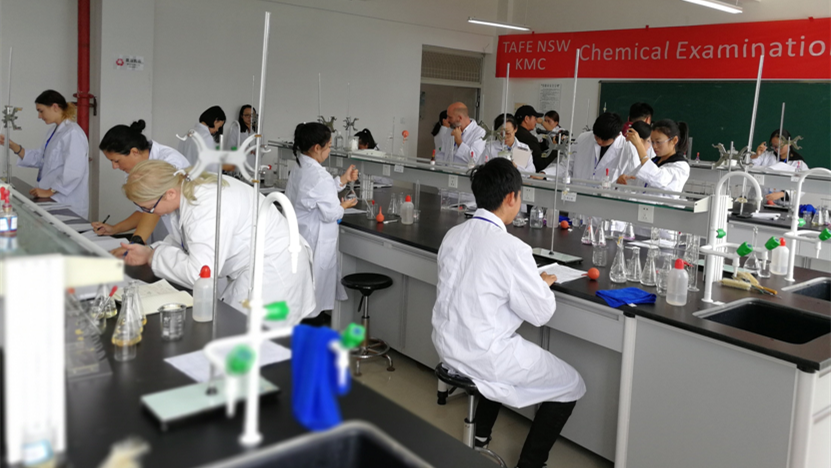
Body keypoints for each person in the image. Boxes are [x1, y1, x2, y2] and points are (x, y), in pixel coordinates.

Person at [432, 158, 585, 468]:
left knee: (503, 364)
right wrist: (540, 284)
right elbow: (541, 314)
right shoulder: (512, 249)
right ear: (512, 197)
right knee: (572, 383)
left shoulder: (454, 234)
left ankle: (480, 435)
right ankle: (530, 464)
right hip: (481, 354)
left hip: (447, 344)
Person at [120, 160, 316, 321]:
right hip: (256, 265)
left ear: (169, 194)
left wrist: (153, 256)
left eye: (148, 208)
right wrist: (151, 250)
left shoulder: (205, 206)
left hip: (273, 270)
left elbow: (200, 273)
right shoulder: (187, 187)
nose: (149, 213)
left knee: (254, 341)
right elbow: (186, 239)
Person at [286, 122, 359, 316]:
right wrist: (343, 206)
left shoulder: (300, 166)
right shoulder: (319, 175)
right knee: (313, 297)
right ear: (317, 148)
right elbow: (331, 213)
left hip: (301, 235)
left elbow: (317, 193)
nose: (329, 151)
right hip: (315, 239)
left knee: (303, 294)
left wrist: (343, 180)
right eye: (329, 146)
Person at [93, 120, 190, 252]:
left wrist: (134, 244)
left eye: (116, 161)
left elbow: (153, 210)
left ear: (134, 152)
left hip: (189, 232)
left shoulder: (169, 161)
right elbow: (144, 210)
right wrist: (115, 229)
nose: (114, 167)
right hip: (169, 237)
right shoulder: (134, 171)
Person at [0, 90, 89, 217]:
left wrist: (50, 191)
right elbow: (41, 158)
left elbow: (74, 171)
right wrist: (13, 146)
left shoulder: (73, 133)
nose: (39, 116)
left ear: (55, 107)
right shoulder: (53, 131)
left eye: (41, 111)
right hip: (51, 200)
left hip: (66, 202)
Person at [619, 120, 690, 193]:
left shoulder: (681, 166)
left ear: (674, 140)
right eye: (652, 142)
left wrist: (639, 146)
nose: (654, 146)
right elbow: (635, 180)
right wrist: (624, 179)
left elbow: (658, 178)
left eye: (658, 142)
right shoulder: (654, 161)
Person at [571, 112, 639, 184]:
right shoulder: (582, 138)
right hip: (577, 189)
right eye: (597, 137)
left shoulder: (629, 151)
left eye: (604, 140)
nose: (599, 141)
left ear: (617, 136)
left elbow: (632, 182)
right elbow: (567, 167)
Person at [752, 129, 809, 202]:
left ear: (789, 143)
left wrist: (783, 194)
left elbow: (804, 185)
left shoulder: (798, 163)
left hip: (783, 205)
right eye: (774, 146)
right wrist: (756, 155)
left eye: (779, 146)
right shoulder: (766, 156)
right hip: (760, 201)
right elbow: (749, 167)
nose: (776, 149)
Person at [178, 105, 231, 172]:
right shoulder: (206, 137)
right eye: (219, 126)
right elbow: (211, 167)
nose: (217, 130)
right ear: (216, 121)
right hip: (199, 176)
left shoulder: (187, 134)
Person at [514, 105, 547, 172]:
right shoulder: (528, 138)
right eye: (535, 118)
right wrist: (556, 149)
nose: (536, 122)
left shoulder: (516, 132)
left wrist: (544, 144)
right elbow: (540, 164)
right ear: (526, 119)